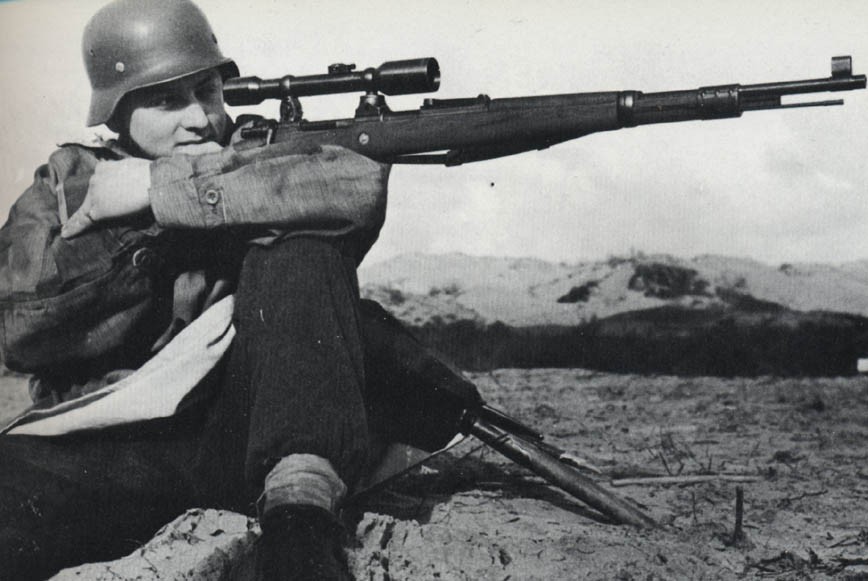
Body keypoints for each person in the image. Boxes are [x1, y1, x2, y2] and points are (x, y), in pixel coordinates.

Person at [0, 0, 479, 579]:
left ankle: (300, 531)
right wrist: (140, 227)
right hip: (103, 446)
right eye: (166, 101)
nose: (199, 119)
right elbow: (23, 326)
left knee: (302, 246)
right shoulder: (65, 183)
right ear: (117, 114)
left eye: (207, 91)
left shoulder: (253, 150)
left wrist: (162, 190)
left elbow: (351, 186)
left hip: (250, 436)